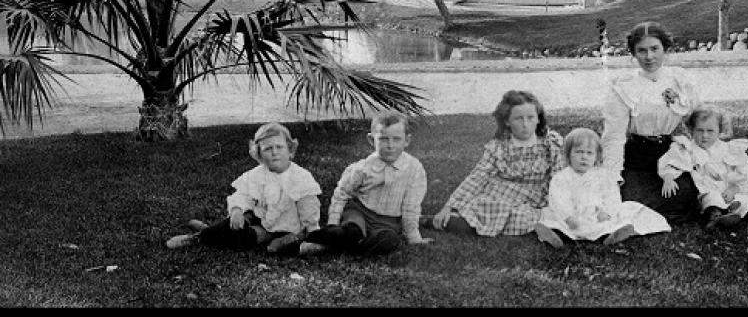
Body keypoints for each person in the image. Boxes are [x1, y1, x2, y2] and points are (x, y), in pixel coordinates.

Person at [600, 21, 733, 225]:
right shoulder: (623, 86)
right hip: (636, 156)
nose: (649, 57)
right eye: (641, 50)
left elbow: (698, 116)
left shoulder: (679, 79)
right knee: (631, 198)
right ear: (633, 54)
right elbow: (614, 138)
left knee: (686, 192)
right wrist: (611, 179)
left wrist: (712, 151)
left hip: (670, 154)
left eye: (655, 49)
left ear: (665, 49)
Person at [421, 89, 565, 236]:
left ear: (538, 118)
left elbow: (560, 178)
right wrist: (449, 206)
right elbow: (477, 177)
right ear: (507, 121)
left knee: (545, 214)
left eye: (530, 118)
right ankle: (433, 221)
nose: (525, 124)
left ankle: (541, 224)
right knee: (478, 217)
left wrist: (561, 205)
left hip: (537, 199)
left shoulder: (550, 144)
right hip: (502, 196)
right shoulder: (499, 147)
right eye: (518, 119)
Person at [165, 122, 322, 253]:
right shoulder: (258, 174)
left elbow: (309, 208)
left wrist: (311, 230)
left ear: (290, 150)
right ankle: (200, 236)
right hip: (260, 218)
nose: (275, 153)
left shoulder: (300, 177)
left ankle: (211, 231)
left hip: (286, 227)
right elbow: (243, 195)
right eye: (268, 149)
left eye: (279, 147)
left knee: (245, 240)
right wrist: (237, 210)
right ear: (259, 154)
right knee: (236, 224)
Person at [293, 111, 432, 257]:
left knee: (389, 240)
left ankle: (341, 248)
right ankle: (336, 236)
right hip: (360, 213)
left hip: (388, 223)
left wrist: (414, 238)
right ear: (372, 140)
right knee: (351, 231)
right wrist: (333, 224)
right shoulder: (363, 168)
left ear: (407, 141)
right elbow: (342, 194)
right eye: (383, 139)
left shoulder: (414, 169)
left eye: (397, 139)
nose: (390, 145)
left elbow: (411, 207)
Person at [658, 105, 748, 229]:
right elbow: (673, 162)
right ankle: (716, 219)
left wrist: (735, 187)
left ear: (720, 131)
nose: (704, 136)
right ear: (691, 130)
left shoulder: (728, 149)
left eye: (710, 131)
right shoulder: (688, 148)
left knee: (745, 199)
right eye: (699, 130)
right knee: (712, 199)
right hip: (707, 189)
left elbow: (747, 171)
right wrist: (668, 178)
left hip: (730, 188)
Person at [534, 127, 671, 248]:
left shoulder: (602, 176)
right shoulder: (562, 177)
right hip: (572, 218)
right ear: (568, 155)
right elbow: (559, 201)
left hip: (597, 216)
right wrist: (568, 216)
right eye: (578, 152)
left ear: (597, 156)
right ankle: (554, 234)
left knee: (628, 210)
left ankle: (614, 235)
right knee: (548, 214)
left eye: (589, 153)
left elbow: (612, 195)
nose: (584, 157)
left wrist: (607, 212)